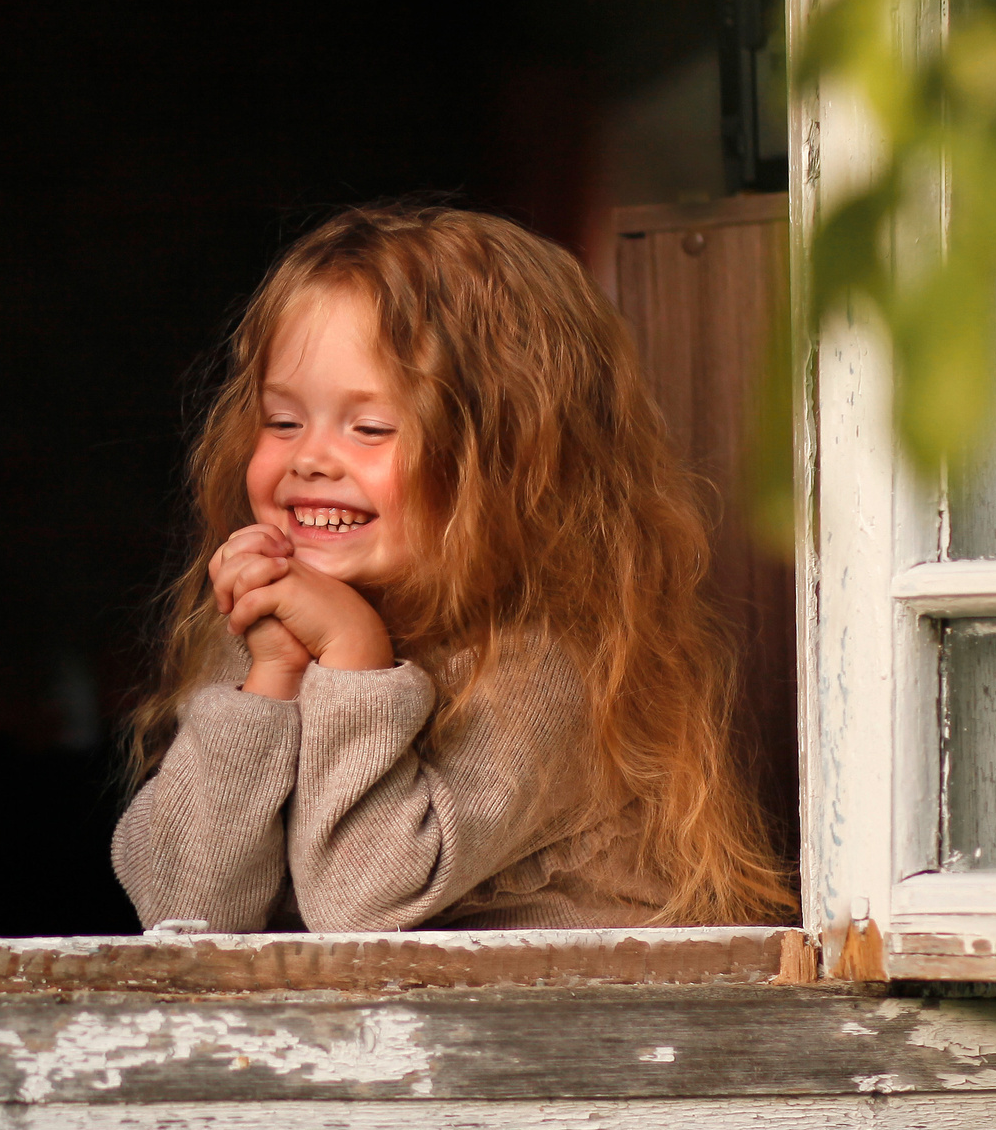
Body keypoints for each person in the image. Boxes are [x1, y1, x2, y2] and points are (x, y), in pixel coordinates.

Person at [114, 203, 791, 933]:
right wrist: (271, 678)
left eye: (370, 427)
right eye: (283, 421)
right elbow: (184, 914)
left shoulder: (545, 667)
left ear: (506, 465)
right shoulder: (274, 629)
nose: (309, 458)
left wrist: (354, 658)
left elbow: (360, 912)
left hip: (558, 1010)